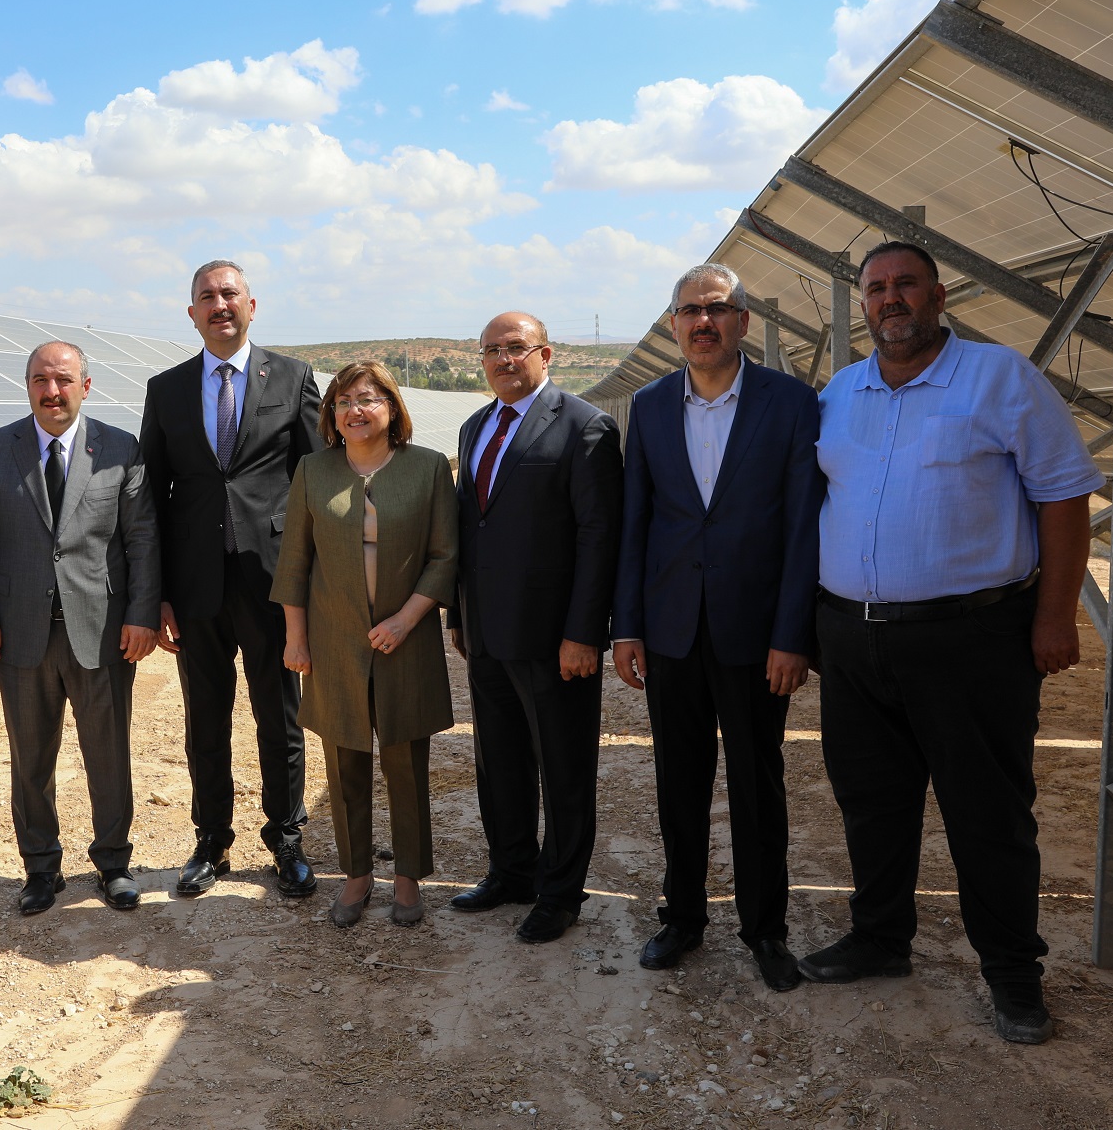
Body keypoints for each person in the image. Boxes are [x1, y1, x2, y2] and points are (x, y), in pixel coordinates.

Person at [802, 240, 1097, 1045]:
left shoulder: (1000, 378)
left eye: (906, 284)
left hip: (972, 640)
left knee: (987, 811)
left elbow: (1064, 496)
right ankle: (880, 937)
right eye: (876, 288)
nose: (890, 299)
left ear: (939, 295)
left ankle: (1013, 973)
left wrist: (1055, 615)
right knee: (871, 800)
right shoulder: (841, 391)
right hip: (854, 636)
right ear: (864, 304)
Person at [610, 264, 822, 992]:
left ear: (743, 321)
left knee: (758, 783)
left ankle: (765, 928)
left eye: (718, 308)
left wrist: (792, 635)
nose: (704, 321)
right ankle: (683, 917)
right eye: (690, 310)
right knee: (680, 780)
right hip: (671, 628)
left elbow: (803, 527)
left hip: (755, 634)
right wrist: (626, 626)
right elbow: (636, 521)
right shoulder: (648, 405)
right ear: (674, 324)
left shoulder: (790, 403)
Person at [139, 260, 322, 899]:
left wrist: (313, 582)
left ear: (251, 305)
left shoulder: (294, 377)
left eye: (229, 294)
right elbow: (150, 496)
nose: (219, 305)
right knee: (205, 719)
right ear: (191, 313)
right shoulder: (166, 389)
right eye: (206, 297)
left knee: (280, 716)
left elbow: (315, 479)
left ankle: (287, 838)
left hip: (273, 581)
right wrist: (157, 592)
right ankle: (211, 838)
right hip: (195, 586)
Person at [0, 341, 160, 915]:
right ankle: (41, 868)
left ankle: (114, 863)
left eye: (64, 380)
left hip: (101, 631)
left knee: (108, 753)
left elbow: (142, 539)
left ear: (85, 387)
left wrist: (142, 614)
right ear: (27, 386)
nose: (53, 391)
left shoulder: (119, 448)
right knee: (30, 758)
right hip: (21, 632)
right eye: (41, 380)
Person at [445, 310, 623, 944]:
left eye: (516, 348)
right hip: (487, 629)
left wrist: (584, 633)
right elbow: (469, 528)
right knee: (499, 761)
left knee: (564, 767)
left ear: (546, 355)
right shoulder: (476, 426)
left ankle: (561, 893)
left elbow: (598, 535)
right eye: (491, 349)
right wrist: (458, 614)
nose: (503, 359)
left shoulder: (584, 426)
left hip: (553, 638)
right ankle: (511, 871)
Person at [273, 362, 458, 927]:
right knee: (344, 761)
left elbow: (445, 556)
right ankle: (356, 875)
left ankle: (408, 877)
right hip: (334, 644)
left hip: (407, 641)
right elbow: (294, 561)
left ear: (392, 408)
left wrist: (405, 620)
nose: (355, 410)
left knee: (406, 760)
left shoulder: (427, 467)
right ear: (331, 414)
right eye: (344, 401)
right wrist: (296, 639)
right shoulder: (314, 469)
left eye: (369, 399)